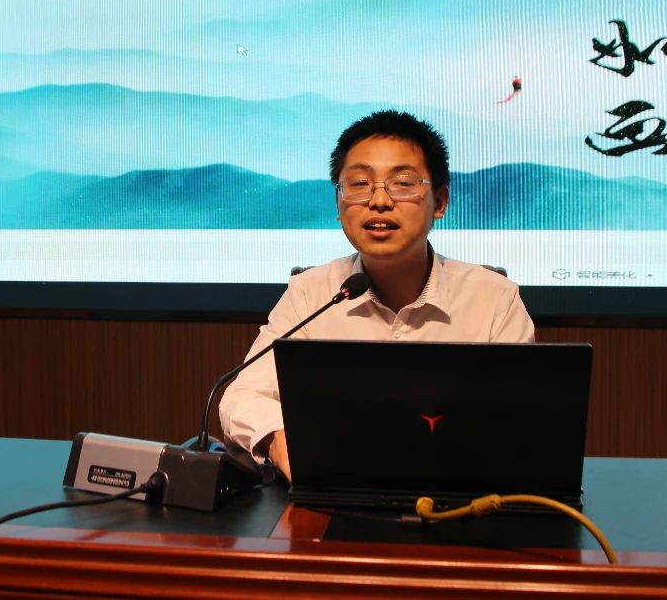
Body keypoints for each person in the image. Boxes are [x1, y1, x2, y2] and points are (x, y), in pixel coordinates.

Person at [218, 110, 534, 480]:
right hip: (330, 494)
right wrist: (279, 438)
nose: (379, 201)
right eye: (359, 184)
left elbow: (523, 419)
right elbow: (241, 397)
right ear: (339, 204)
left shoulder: (494, 300)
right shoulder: (311, 294)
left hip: (461, 496)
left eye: (403, 183)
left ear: (440, 201)